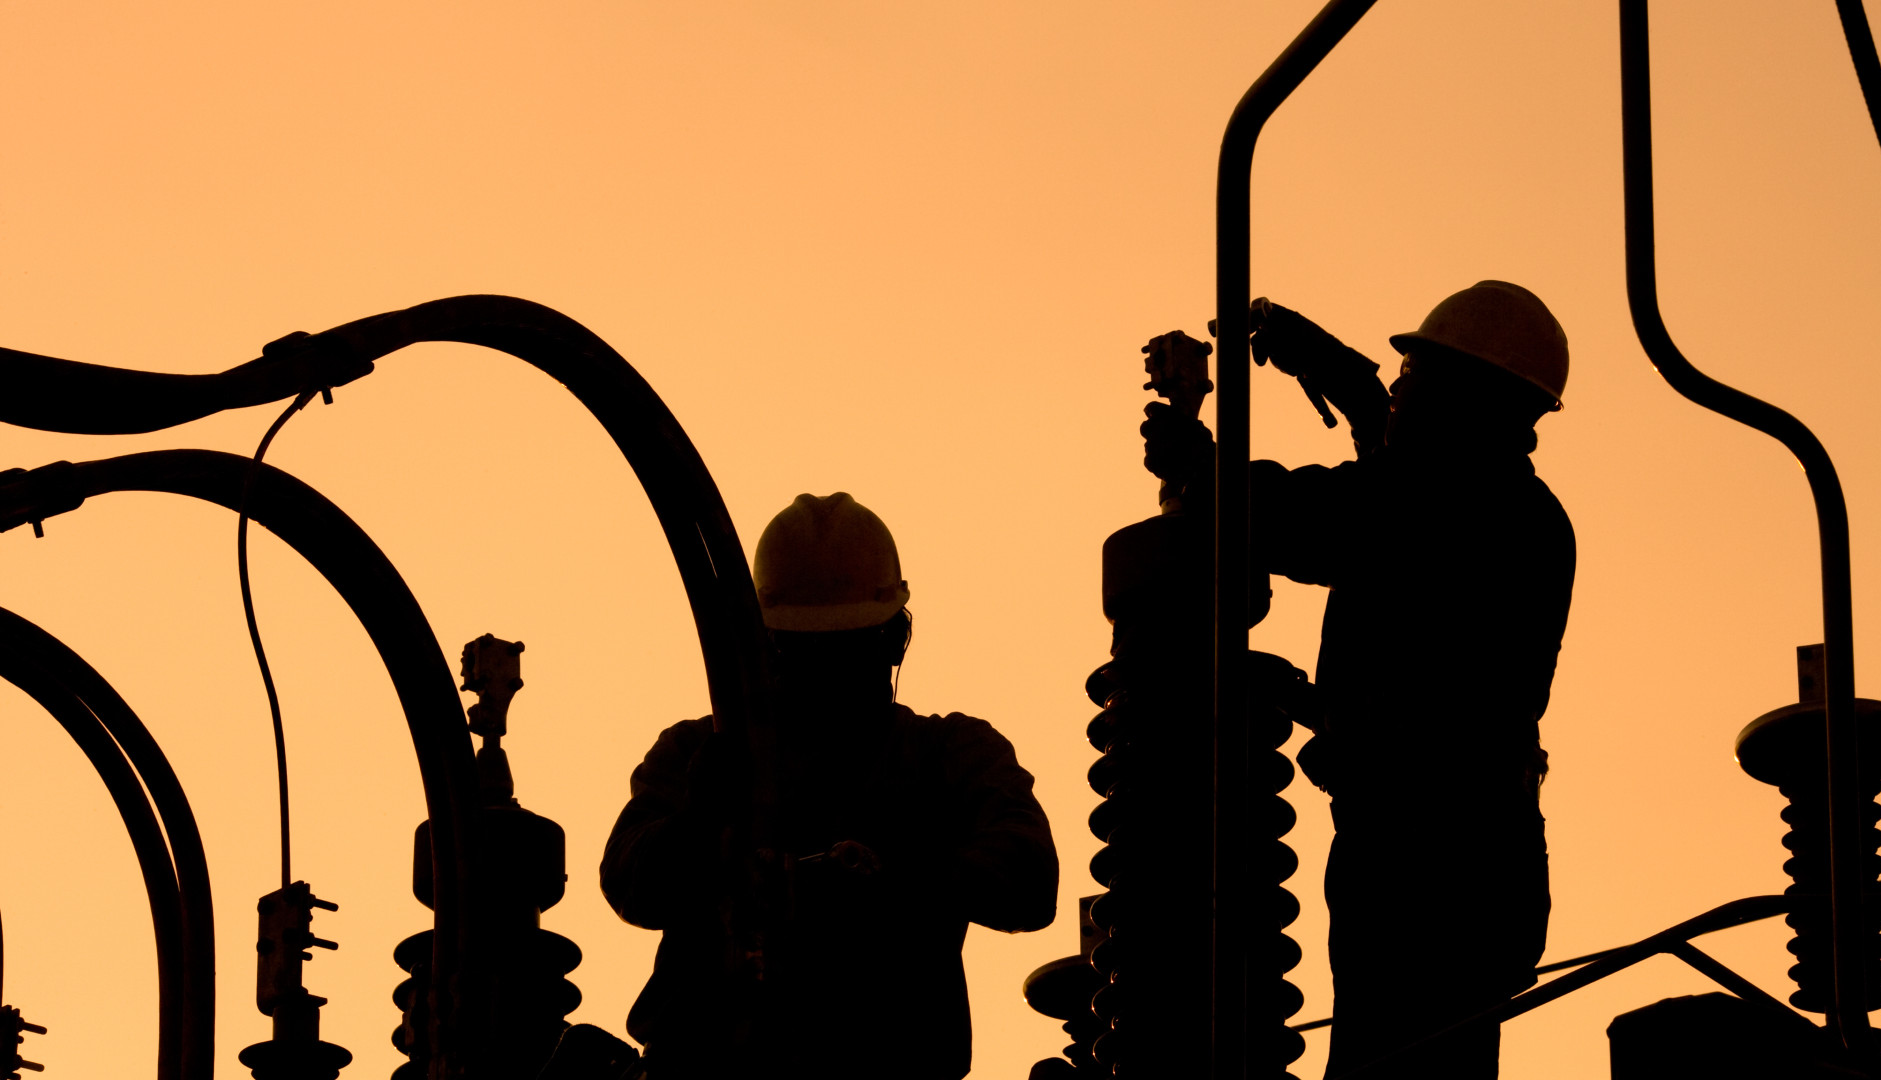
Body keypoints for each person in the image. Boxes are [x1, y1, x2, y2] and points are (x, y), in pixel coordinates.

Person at [1149, 281, 1575, 1079]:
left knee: (1396, 1065)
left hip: (1429, 874)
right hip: (1468, 860)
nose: (1399, 386)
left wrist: (1203, 472)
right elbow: (1424, 692)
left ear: (1464, 399)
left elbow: (1320, 517)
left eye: (1415, 374)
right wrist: (1337, 374)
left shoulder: (1452, 502)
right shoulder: (1516, 508)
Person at [600, 492, 1059, 1079]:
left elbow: (1026, 877)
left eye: (847, 651)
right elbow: (632, 885)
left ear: (893, 640)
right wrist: (701, 819)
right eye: (809, 653)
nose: (828, 677)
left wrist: (885, 878)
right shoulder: (701, 754)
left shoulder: (948, 756)